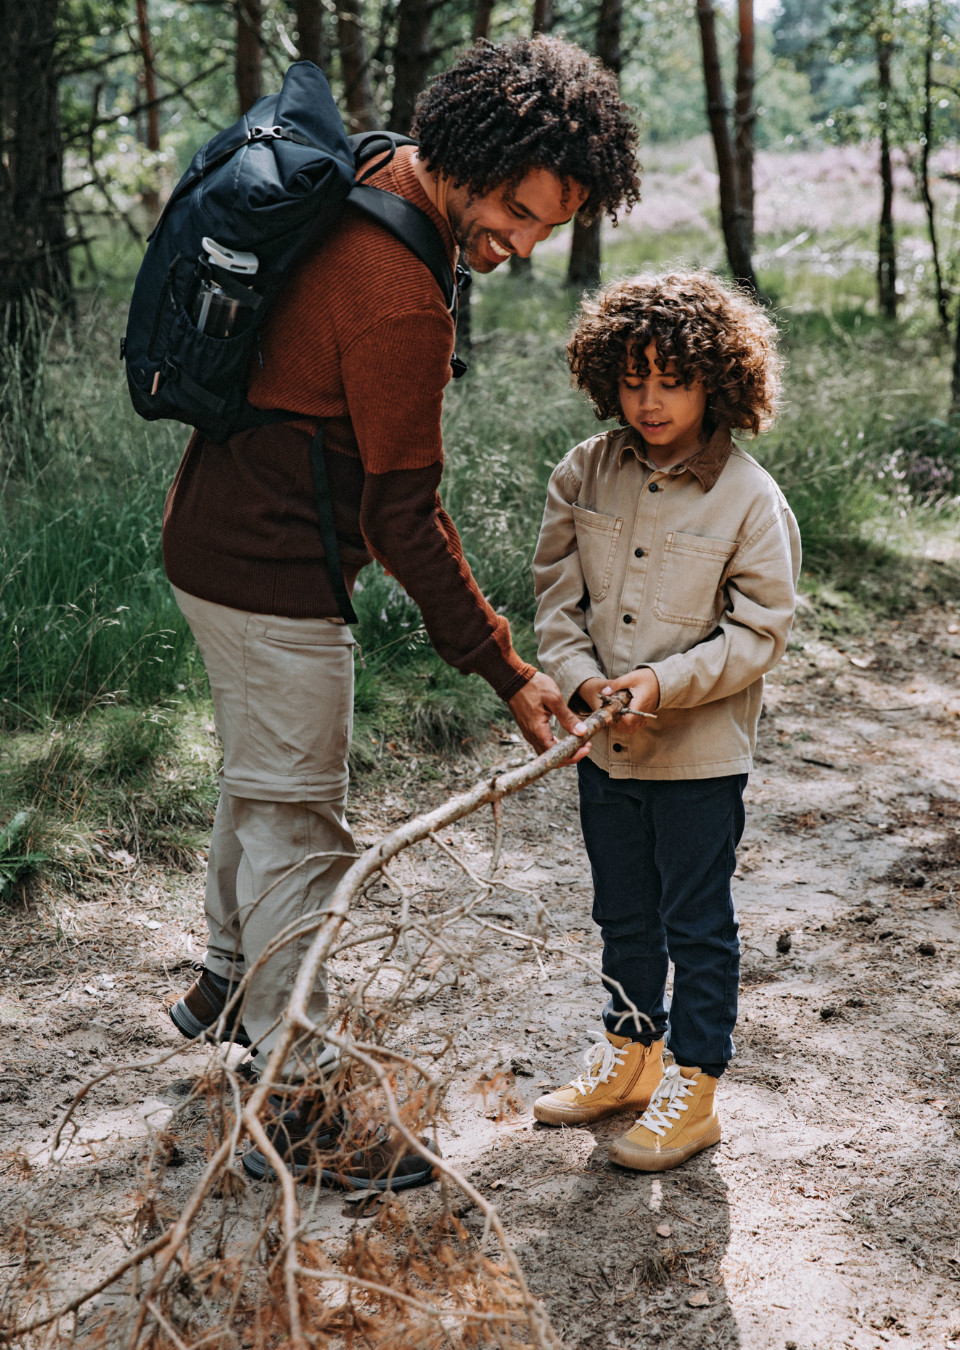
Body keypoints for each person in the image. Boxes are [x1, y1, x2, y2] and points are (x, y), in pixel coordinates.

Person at [161, 36, 641, 1188]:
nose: (521, 242)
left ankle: (228, 978)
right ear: (471, 156)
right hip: (270, 571)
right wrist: (507, 668)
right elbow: (405, 519)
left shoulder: (376, 172)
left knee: (260, 778)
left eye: (548, 226)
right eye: (518, 210)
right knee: (300, 821)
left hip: (210, 539)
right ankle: (302, 1100)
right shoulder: (399, 298)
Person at [531, 269, 801, 1172]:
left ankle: (695, 1086)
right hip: (605, 750)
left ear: (715, 382)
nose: (649, 401)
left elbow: (759, 633)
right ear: (607, 375)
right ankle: (631, 1055)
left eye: (672, 380)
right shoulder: (582, 472)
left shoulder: (750, 499)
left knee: (696, 922)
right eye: (633, 379)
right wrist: (581, 682)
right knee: (622, 913)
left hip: (698, 757)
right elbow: (555, 603)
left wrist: (658, 684)